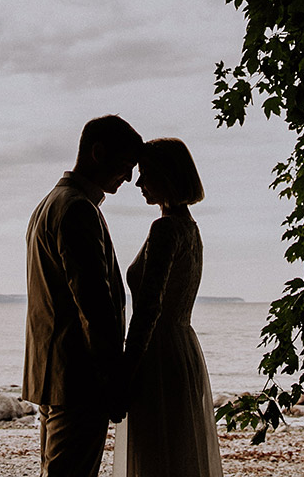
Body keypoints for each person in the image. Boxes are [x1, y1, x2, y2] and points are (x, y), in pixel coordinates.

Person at [22, 114, 143, 477]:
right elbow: (93, 303)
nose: (129, 178)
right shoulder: (77, 209)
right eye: (125, 166)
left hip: (52, 371)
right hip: (78, 378)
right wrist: (112, 378)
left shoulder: (51, 202)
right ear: (98, 152)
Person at [117, 137, 223, 477]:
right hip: (184, 349)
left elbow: (149, 309)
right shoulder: (190, 228)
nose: (137, 182)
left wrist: (125, 375)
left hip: (158, 354)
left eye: (146, 173)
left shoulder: (165, 229)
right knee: (178, 453)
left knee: (156, 457)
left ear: (168, 176)